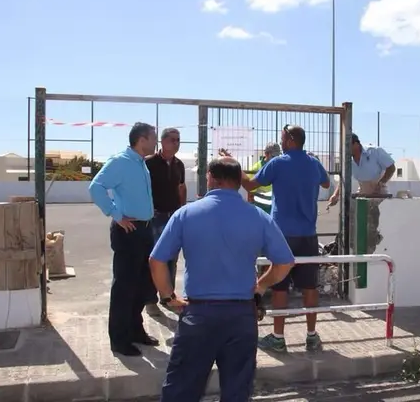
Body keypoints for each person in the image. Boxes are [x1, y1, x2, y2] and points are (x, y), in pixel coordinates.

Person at [149, 157, 295, 402]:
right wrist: (261, 286)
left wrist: (168, 296)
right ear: (239, 182)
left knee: (181, 390)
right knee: (237, 392)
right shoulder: (258, 217)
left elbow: (157, 261)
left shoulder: (186, 214)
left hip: (198, 315)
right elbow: (285, 262)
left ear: (211, 178)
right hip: (241, 317)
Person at [240, 124, 331, 353]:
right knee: (310, 287)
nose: (280, 141)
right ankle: (312, 336)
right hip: (309, 235)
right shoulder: (313, 163)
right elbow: (327, 183)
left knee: (280, 288)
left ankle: (278, 338)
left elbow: (250, 184)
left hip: (282, 235)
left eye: (282, 137)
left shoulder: (278, 163)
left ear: (290, 139)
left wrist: (233, 166)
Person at [88, 122, 159, 357]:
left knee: (142, 285)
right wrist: (116, 215)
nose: (155, 141)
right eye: (153, 137)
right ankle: (119, 340)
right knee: (125, 287)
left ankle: (135, 331)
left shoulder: (140, 163)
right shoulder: (120, 162)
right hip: (128, 232)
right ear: (141, 139)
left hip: (145, 230)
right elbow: (96, 187)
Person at [328, 132, 396, 253]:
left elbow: (391, 167)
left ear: (356, 144)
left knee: (372, 213)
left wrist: (381, 183)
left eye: (347, 146)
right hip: (363, 190)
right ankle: (349, 245)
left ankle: (374, 242)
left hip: (378, 189)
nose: (345, 150)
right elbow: (344, 178)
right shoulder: (347, 159)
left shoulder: (374, 151)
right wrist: (335, 195)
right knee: (350, 213)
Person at [144, 127, 186, 316]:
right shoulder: (149, 163)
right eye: (172, 140)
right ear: (162, 142)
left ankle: (167, 296)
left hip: (173, 217)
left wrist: (182, 210)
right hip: (155, 216)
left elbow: (181, 188)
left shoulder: (179, 165)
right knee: (155, 258)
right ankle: (150, 299)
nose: (176, 143)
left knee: (172, 258)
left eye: (178, 140)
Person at [248, 142, 281, 214]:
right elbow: (250, 192)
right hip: (260, 208)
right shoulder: (256, 168)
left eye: (277, 156)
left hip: (273, 207)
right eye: (273, 156)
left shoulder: (278, 167)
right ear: (266, 154)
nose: (276, 159)